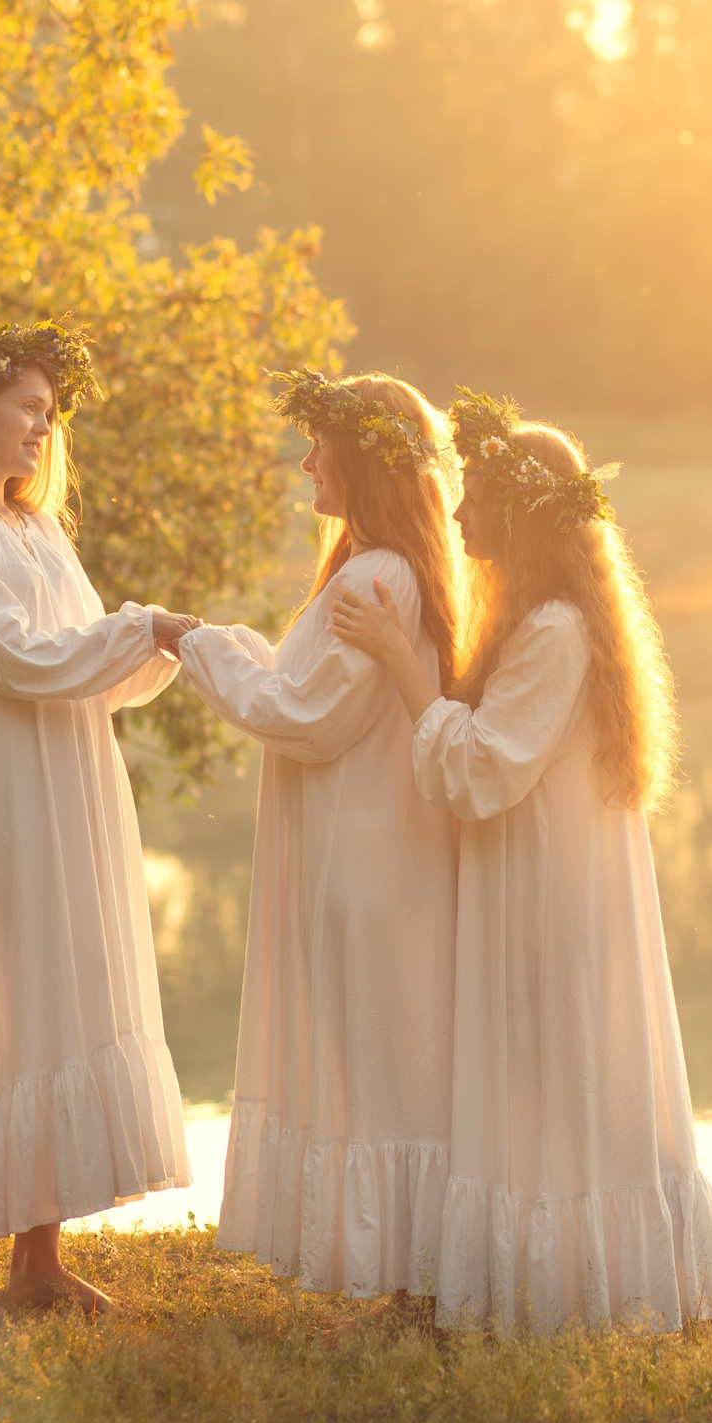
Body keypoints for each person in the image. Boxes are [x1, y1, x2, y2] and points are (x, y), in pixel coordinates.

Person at [331, 389, 712, 1334]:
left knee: (562, 1070)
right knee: (537, 1080)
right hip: (526, 883)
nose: (456, 509)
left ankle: (584, 1288)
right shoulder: (533, 623)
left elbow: (482, 768)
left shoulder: (558, 629)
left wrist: (405, 666)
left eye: (474, 493)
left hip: (547, 898)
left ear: (521, 513)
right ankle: (544, 1275)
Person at [0, 322, 206, 1316]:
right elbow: (15, 657)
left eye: (51, 416)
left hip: (71, 790)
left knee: (61, 1000)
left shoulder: (37, 528)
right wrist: (141, 626)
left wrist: (163, 646)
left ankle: (37, 1263)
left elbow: (92, 668)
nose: (41, 428)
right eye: (27, 406)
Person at [174, 371, 463, 1302]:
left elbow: (308, 717)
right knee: (388, 1060)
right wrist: (225, 644)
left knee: (376, 1068)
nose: (305, 463)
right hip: (373, 852)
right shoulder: (380, 567)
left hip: (366, 857)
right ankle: (397, 1270)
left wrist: (197, 647)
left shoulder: (378, 573)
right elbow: (311, 685)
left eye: (320, 448)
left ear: (365, 461)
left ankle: (389, 1274)